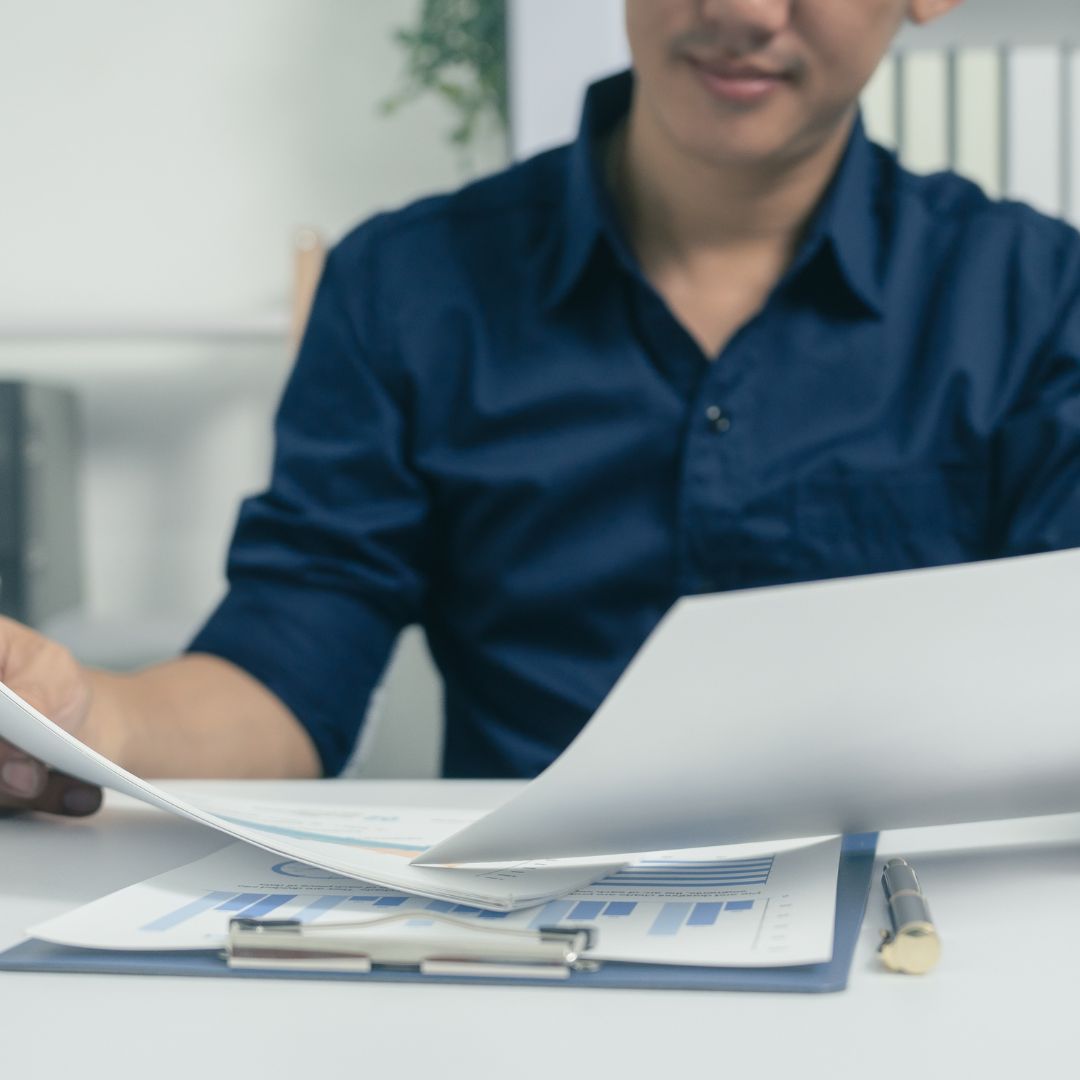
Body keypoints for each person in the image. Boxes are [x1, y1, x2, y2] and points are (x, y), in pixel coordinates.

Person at [2, 0, 1078, 817]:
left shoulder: (1035, 297)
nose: (747, 12)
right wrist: (90, 718)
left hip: (924, 955)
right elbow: (289, 670)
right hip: (517, 956)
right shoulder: (405, 284)